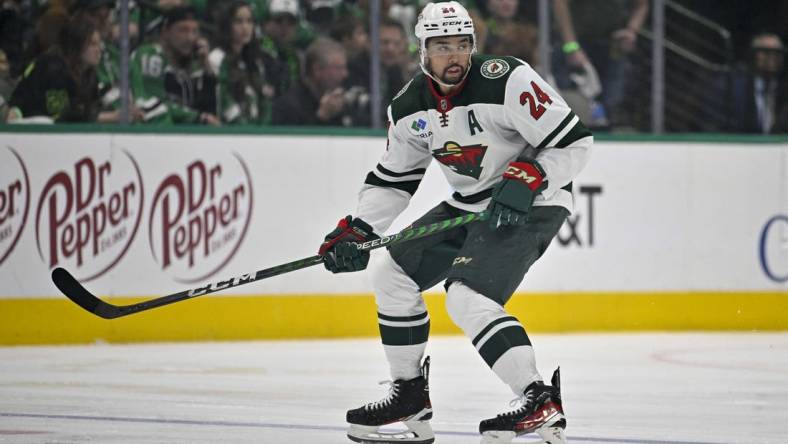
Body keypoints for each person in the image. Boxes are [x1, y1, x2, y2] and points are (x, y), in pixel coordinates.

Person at [317, 2, 592, 443]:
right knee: (391, 272)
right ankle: (409, 397)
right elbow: (395, 178)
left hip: (531, 202)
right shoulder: (409, 106)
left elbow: (575, 143)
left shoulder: (508, 79)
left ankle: (539, 399)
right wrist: (358, 228)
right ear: (422, 51)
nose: (454, 56)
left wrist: (533, 175)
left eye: (462, 45)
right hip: (471, 204)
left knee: (466, 296)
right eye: (442, 46)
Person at [552, 0, 648, 127]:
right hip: (577, 43)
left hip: (613, 44)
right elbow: (559, 3)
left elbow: (641, 5)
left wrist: (631, 31)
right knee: (569, 107)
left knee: (612, 105)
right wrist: (571, 46)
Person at [129, 5, 220, 125]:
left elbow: (211, 112)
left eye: (194, 31)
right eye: (183, 30)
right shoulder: (151, 55)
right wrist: (198, 118)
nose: (190, 38)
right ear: (165, 31)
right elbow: (153, 104)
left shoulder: (193, 64)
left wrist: (206, 67)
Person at [7, 17, 104, 122]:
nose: (99, 50)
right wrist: (109, 117)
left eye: (99, 44)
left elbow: (93, 107)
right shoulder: (53, 69)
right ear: (77, 45)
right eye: (93, 44)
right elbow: (59, 114)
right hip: (32, 126)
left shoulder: (89, 74)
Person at [209, 0, 285, 124]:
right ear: (227, 25)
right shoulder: (217, 58)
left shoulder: (255, 61)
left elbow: (264, 100)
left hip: (255, 135)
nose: (245, 27)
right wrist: (244, 129)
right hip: (229, 133)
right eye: (238, 21)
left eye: (249, 21)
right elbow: (223, 100)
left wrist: (263, 129)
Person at [271, 37, 366, 127]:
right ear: (317, 70)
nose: (345, 74)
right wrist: (321, 118)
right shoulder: (288, 107)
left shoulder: (340, 105)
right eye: (338, 68)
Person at [728, 33, 788, 134]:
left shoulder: (785, 89)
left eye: (778, 53)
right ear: (753, 55)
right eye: (766, 52)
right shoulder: (734, 87)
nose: (772, 57)